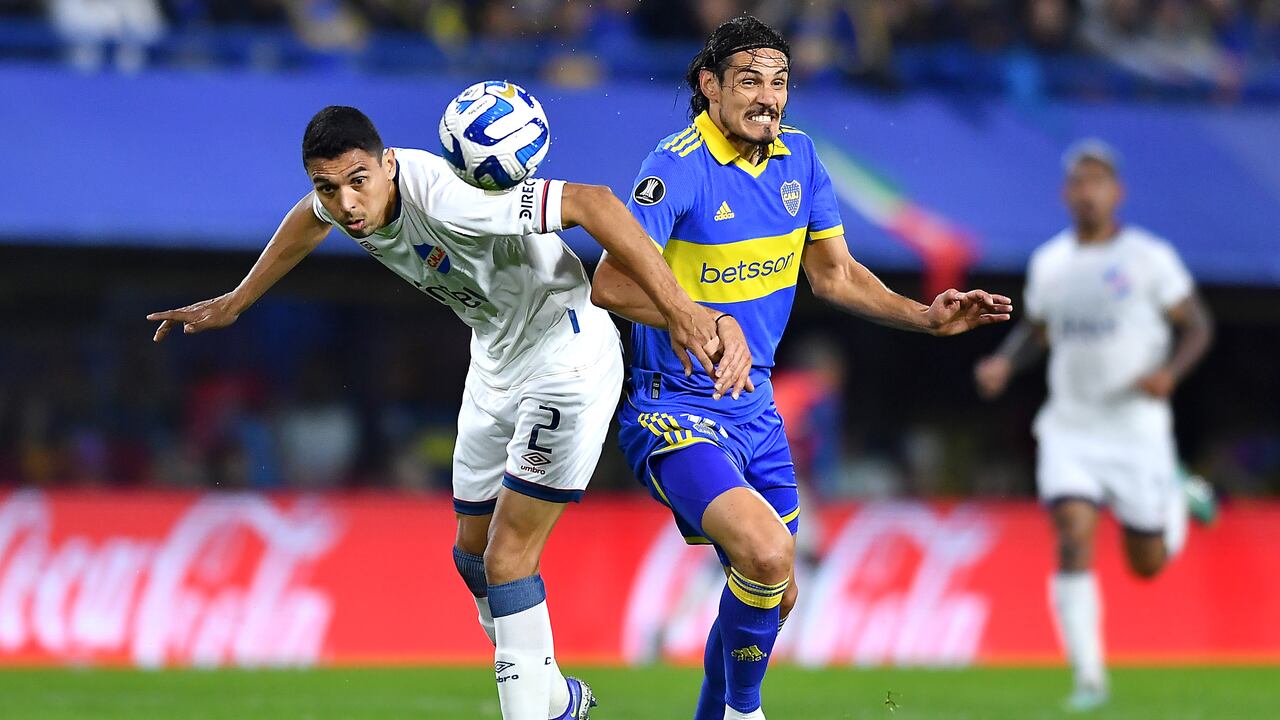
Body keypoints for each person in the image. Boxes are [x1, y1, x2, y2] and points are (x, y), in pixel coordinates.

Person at [147, 104, 752, 720]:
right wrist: (235, 303)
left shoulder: (450, 198)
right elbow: (307, 222)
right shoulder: (338, 204)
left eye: (358, 180)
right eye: (329, 187)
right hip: (495, 356)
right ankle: (560, 701)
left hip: (564, 354)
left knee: (508, 557)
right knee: (472, 557)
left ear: (389, 164)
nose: (348, 203)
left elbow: (594, 202)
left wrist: (681, 310)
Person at [589, 16, 1012, 720]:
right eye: (749, 80)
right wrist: (704, 318)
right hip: (675, 408)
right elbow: (611, 283)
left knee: (775, 590)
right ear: (709, 85)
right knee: (763, 555)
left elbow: (836, 276)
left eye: (779, 81)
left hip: (754, 411)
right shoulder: (676, 166)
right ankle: (747, 713)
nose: (768, 97)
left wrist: (925, 317)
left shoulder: (801, 160)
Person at [974, 138, 1216, 712]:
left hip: (1135, 428)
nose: (1088, 192)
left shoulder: (1148, 258)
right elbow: (1038, 329)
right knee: (1073, 530)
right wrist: (1005, 362)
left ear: (1117, 192)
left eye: (1099, 182)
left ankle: (1178, 495)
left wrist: (1170, 374)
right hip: (1070, 426)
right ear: (1066, 194)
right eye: (1079, 182)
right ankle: (1089, 679)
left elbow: (1199, 325)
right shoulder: (1051, 263)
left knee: (1147, 564)